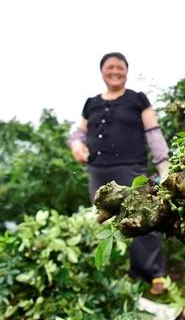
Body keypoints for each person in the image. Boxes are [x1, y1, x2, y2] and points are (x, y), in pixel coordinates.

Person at [68, 52, 168, 295]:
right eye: (110, 67)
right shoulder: (91, 102)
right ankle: (118, 272)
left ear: (127, 71)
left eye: (120, 67)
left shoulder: (137, 99)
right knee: (105, 220)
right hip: (97, 171)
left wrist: (163, 166)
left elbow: (153, 132)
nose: (115, 71)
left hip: (130, 169)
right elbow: (78, 134)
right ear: (102, 71)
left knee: (142, 218)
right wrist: (76, 145)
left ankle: (154, 273)